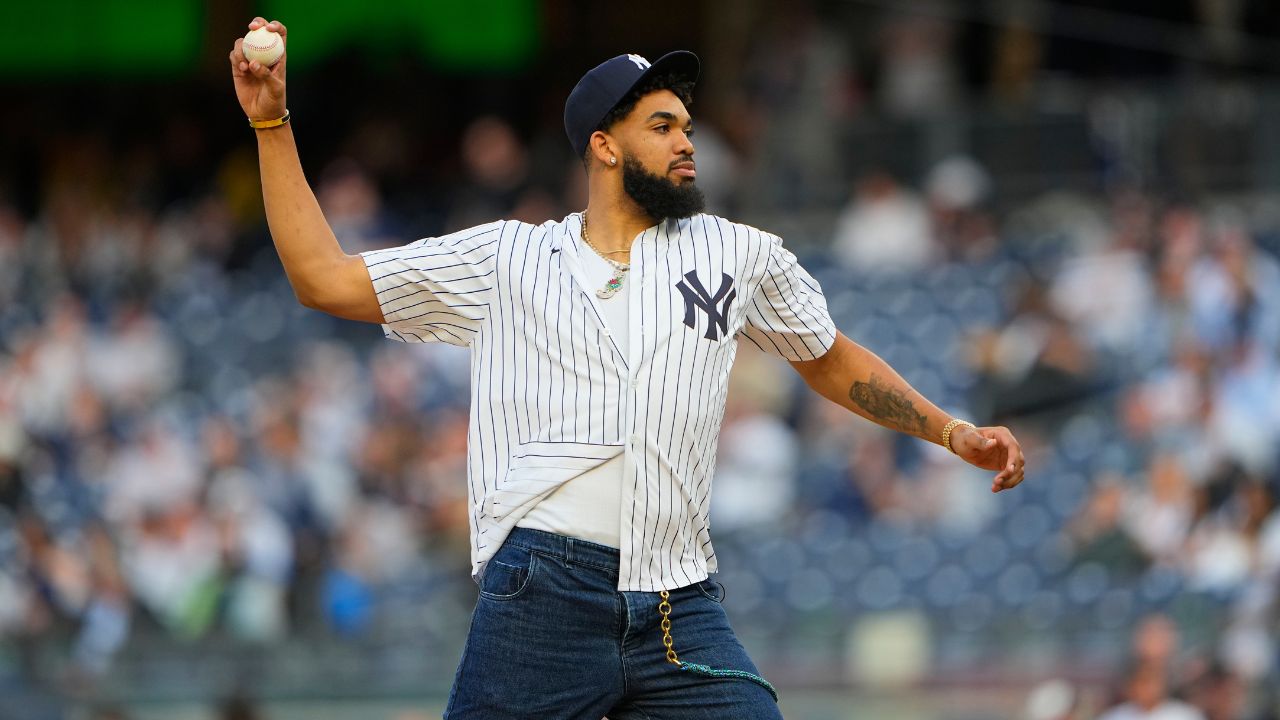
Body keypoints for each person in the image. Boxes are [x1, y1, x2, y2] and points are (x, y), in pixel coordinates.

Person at [229, 17, 1026, 719]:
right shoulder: (510, 256)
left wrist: (951, 433)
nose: (686, 141)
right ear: (604, 147)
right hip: (542, 590)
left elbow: (827, 359)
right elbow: (321, 278)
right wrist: (272, 126)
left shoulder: (736, 251)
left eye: (686, 124)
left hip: (680, 599)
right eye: (661, 125)